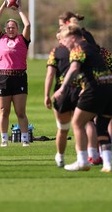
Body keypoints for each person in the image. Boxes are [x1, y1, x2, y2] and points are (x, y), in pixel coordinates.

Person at [53, 24, 112, 172]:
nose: (62, 44)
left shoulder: (78, 49)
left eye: (64, 40)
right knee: (102, 127)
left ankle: (82, 161)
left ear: (72, 38)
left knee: (77, 122)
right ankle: (107, 164)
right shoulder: (93, 48)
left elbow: (74, 68)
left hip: (97, 88)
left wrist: (62, 88)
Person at [0, 0, 31, 147]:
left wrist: (19, 9)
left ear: (17, 29)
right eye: (8, 27)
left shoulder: (22, 40)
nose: (10, 29)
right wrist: (4, 4)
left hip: (19, 77)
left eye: (13, 27)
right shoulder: (0, 38)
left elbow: (28, 24)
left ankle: (25, 139)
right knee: (4, 111)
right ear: (5, 29)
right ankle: (4, 139)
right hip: (2, 77)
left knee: (20, 112)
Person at [44, 30, 81, 167]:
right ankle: (81, 157)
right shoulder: (81, 50)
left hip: (61, 93)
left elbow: (50, 74)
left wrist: (46, 95)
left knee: (63, 128)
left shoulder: (56, 52)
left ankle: (60, 156)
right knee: (80, 127)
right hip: (79, 91)